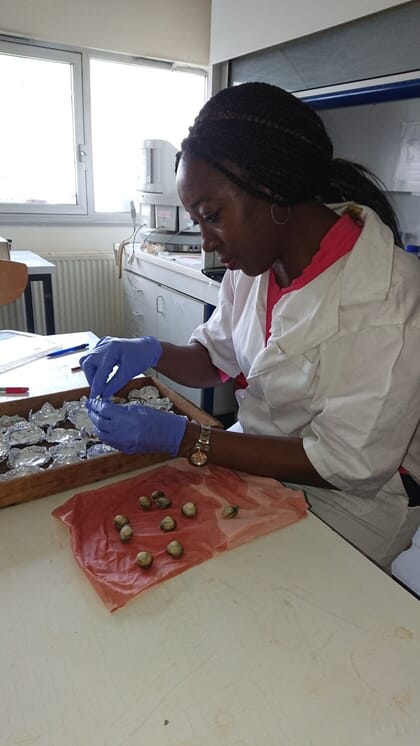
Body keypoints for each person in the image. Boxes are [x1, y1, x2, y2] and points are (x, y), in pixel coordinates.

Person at [81, 82, 420, 571]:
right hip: (254, 462)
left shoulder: (388, 295)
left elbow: (348, 464)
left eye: (212, 216)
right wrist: (151, 351)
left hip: (353, 506)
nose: (206, 242)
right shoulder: (252, 268)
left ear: (273, 190)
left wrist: (186, 439)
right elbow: (215, 358)